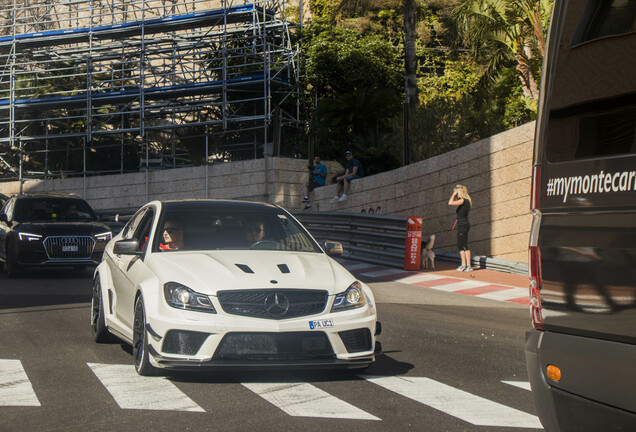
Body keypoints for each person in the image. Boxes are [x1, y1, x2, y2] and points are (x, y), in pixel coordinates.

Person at [448, 185, 473, 272]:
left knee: (464, 245)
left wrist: (453, 195)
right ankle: (463, 265)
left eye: (457, 192)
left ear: (460, 192)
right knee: (460, 245)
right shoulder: (464, 201)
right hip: (461, 224)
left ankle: (469, 266)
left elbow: (450, 202)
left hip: (464, 225)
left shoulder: (463, 200)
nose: (456, 194)